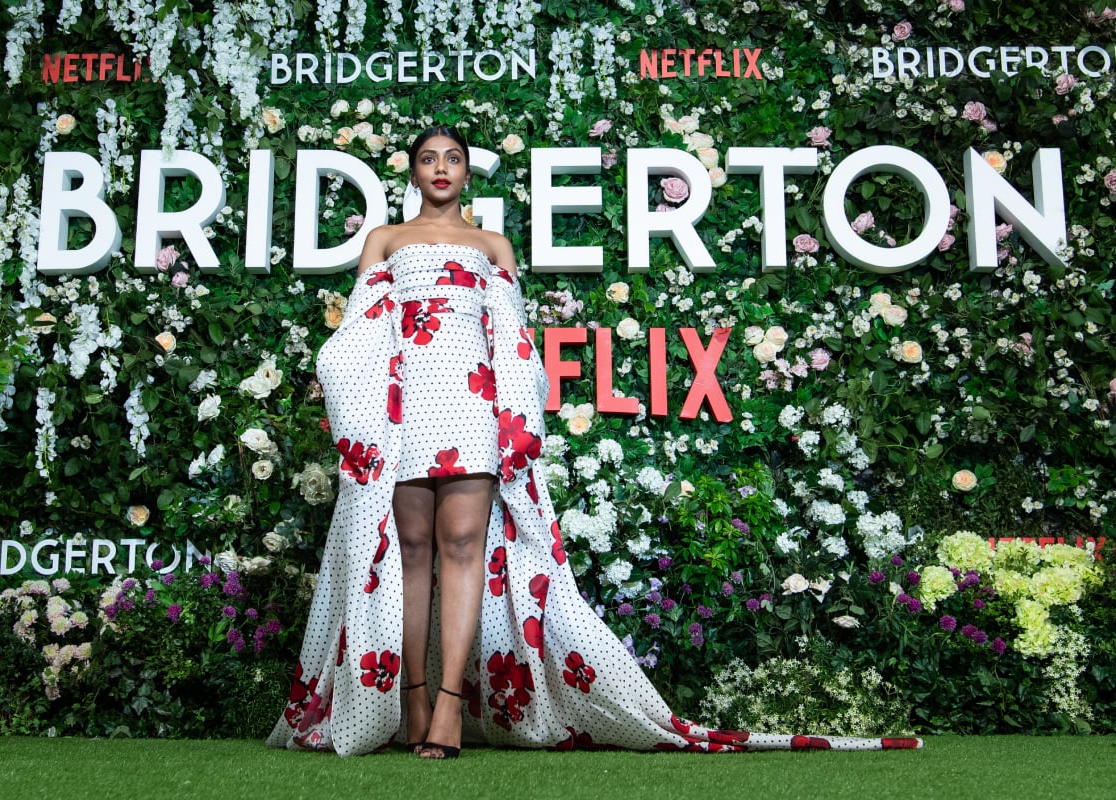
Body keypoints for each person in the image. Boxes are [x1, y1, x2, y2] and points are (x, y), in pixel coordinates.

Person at [267, 126, 922, 758]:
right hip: (404, 410)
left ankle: (446, 706)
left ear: (467, 172)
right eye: (429, 158)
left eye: (453, 158)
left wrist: (518, 423)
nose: (441, 168)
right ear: (413, 171)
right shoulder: (384, 240)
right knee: (411, 551)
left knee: (462, 547)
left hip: (471, 408)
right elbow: (361, 329)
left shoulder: (493, 245)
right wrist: (350, 398)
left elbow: (515, 342)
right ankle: (409, 701)